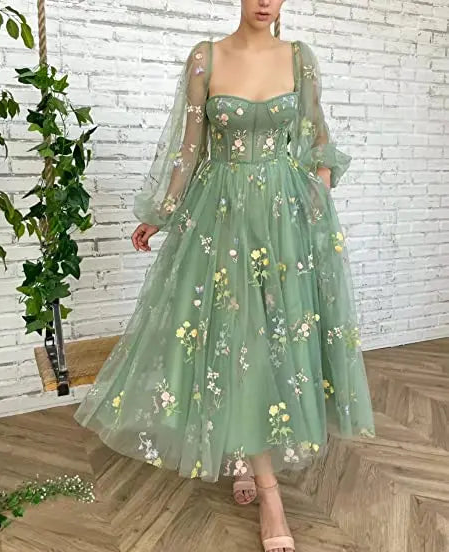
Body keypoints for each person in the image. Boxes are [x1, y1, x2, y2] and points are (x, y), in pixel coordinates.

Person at [74, 1, 376, 550]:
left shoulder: (300, 58)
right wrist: (162, 212)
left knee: (274, 340)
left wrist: (317, 194)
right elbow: (188, 151)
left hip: (284, 221)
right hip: (222, 218)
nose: (265, 2)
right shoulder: (205, 58)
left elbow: (317, 138)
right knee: (239, 340)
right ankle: (270, 495)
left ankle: (246, 449)